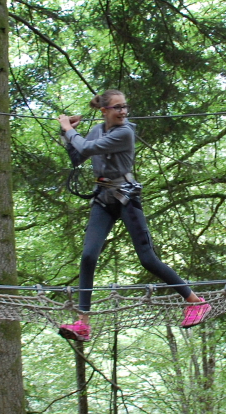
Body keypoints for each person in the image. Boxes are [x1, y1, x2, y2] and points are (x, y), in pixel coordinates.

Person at [56, 89, 209, 341]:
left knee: (147, 258)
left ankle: (195, 301)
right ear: (104, 111)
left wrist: (68, 129)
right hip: (103, 199)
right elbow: (77, 157)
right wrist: (66, 132)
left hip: (125, 197)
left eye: (125, 106)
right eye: (117, 107)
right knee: (88, 256)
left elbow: (88, 147)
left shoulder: (125, 132)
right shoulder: (96, 130)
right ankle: (83, 323)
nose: (123, 112)